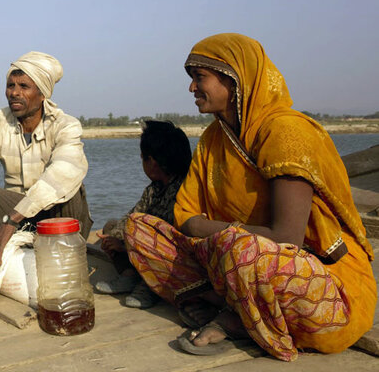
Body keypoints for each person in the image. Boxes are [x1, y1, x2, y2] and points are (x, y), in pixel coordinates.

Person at [124, 33, 376, 361]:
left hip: (316, 277)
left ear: (236, 79)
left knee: (243, 250)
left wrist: (219, 236)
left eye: (200, 78)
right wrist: (218, 239)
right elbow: (184, 214)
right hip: (230, 256)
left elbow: (286, 237)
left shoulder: (285, 133)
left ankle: (234, 314)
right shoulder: (214, 137)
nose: (191, 89)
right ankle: (237, 301)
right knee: (137, 229)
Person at [0, 51, 92, 273]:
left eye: (24, 86)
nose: (14, 93)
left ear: (42, 94)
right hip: (16, 216)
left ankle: (58, 252)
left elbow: (65, 171)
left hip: (55, 216)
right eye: (10, 85)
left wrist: (12, 220)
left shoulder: (66, 125)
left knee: (69, 187)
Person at [94, 120, 191, 309]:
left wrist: (126, 246)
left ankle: (150, 286)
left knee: (135, 235)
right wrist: (114, 239)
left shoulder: (184, 190)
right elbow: (131, 216)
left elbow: (169, 237)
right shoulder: (154, 189)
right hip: (145, 246)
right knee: (111, 227)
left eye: (143, 158)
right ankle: (130, 276)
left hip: (171, 257)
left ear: (152, 162)